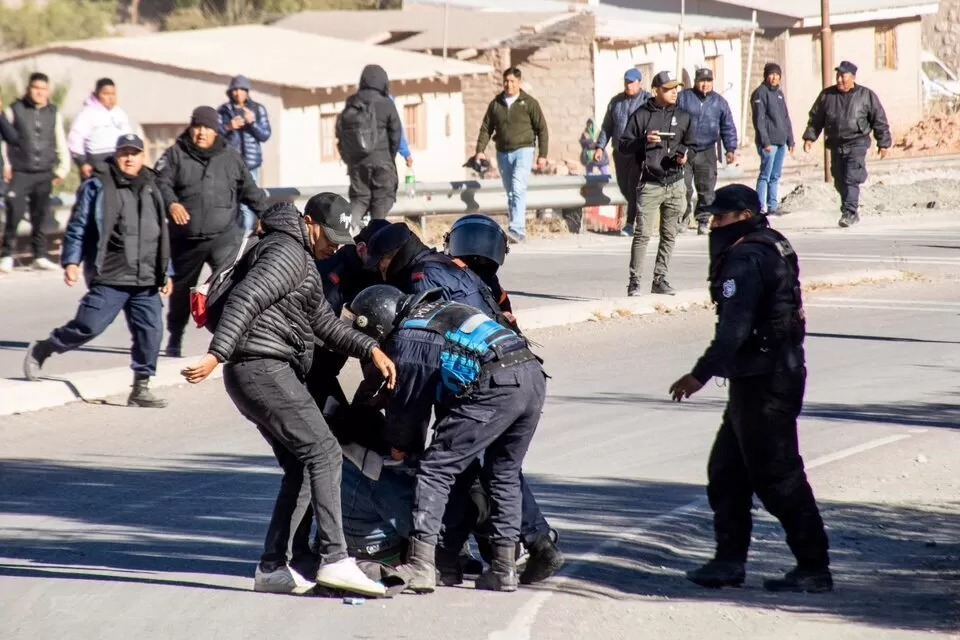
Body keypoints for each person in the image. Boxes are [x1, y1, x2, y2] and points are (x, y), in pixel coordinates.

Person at [179, 201, 397, 598]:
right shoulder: (285, 252)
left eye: (342, 240)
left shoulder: (301, 260)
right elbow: (246, 299)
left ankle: (272, 568)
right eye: (331, 237)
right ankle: (335, 559)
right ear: (309, 223)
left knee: (301, 466)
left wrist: (370, 349)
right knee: (325, 452)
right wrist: (216, 354)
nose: (336, 247)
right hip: (261, 367)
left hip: (259, 371)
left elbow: (325, 325)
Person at [668, 184, 832, 594]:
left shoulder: (747, 256)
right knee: (727, 472)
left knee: (778, 476)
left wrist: (699, 374)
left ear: (742, 216)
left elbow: (734, 329)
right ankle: (728, 562)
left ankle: (813, 566)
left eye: (719, 218)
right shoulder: (771, 243)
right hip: (761, 377)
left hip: (768, 381)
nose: (713, 225)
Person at [348, 285, 547, 594]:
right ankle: (503, 569)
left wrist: (399, 448)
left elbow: (407, 416)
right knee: (502, 473)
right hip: (530, 374)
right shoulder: (439, 310)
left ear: (378, 325)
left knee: (435, 469)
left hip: (496, 383)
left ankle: (422, 565)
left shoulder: (408, 338)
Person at [22, 134, 171, 407]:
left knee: (151, 333)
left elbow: (160, 233)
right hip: (110, 275)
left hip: (147, 277)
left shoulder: (153, 186)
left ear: (142, 157)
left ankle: (141, 388)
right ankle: (44, 348)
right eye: (124, 152)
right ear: (116, 155)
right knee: (87, 327)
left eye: (134, 153)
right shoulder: (98, 185)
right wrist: (71, 261)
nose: (129, 158)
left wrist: (167, 270)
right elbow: (78, 225)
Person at [156, 105, 266, 358]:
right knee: (182, 292)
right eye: (197, 127)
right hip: (186, 239)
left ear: (216, 131)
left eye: (207, 128)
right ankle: (175, 338)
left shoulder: (230, 156)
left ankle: (233, 339)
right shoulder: (175, 154)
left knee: (231, 286)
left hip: (224, 236)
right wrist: (171, 203)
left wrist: (265, 214)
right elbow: (159, 183)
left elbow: (249, 189)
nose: (201, 133)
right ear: (191, 128)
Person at [619, 70, 693, 297]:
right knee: (642, 234)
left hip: (676, 182)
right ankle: (634, 282)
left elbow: (693, 145)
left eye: (676, 88)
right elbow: (623, 146)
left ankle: (659, 279)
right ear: (656, 91)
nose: (674, 93)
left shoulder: (684, 115)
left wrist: (685, 155)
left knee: (669, 234)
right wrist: (643, 140)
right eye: (669, 88)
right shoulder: (641, 115)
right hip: (650, 184)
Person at [802, 61, 891, 228]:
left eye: (843, 76)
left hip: (857, 142)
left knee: (851, 177)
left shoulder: (866, 95)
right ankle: (850, 211)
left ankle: (849, 212)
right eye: (838, 76)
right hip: (836, 144)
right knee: (839, 179)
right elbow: (816, 119)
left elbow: (879, 119)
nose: (840, 80)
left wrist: (883, 142)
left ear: (853, 77)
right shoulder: (827, 96)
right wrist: (809, 137)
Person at [0, 72, 71, 273]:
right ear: (28, 89)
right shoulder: (15, 109)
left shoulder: (53, 112)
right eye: (35, 88)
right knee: (14, 212)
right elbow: (4, 140)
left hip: (44, 172)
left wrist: (63, 168)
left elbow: (60, 141)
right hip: (21, 171)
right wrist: (7, 164)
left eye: (43, 89)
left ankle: (39, 255)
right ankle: (6, 255)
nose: (39, 92)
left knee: (39, 215)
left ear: (48, 91)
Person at [472, 67, 549, 244]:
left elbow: (542, 129)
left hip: (524, 150)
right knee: (511, 192)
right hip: (503, 153)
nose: (509, 84)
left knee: (518, 188)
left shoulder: (529, 103)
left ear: (519, 83)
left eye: (512, 81)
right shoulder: (496, 104)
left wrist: (542, 154)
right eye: (506, 81)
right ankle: (515, 228)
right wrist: (480, 151)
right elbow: (486, 128)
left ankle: (517, 229)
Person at [337, 65, 402, 231]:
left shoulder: (352, 102)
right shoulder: (386, 103)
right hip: (382, 162)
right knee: (381, 203)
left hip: (357, 163)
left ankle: (348, 234)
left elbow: (340, 132)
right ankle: (375, 239)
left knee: (359, 199)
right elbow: (396, 134)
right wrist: (389, 157)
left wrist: (349, 159)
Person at [677, 68, 738, 235]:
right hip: (685, 150)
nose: (705, 84)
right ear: (696, 81)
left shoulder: (719, 102)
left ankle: (703, 220)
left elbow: (728, 126)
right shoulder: (684, 98)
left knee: (706, 188)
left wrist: (730, 148)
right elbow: (672, 119)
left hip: (707, 150)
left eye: (708, 81)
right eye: (702, 81)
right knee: (683, 187)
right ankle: (682, 219)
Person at [595, 68, 652, 237]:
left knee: (634, 186)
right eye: (626, 82)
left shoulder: (648, 100)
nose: (629, 86)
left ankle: (630, 223)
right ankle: (640, 213)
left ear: (639, 83)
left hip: (638, 151)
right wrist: (600, 146)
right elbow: (607, 127)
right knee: (624, 187)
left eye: (632, 82)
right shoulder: (616, 102)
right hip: (620, 152)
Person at [218, 75, 272, 231]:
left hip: (251, 165)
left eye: (241, 89)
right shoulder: (224, 111)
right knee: (232, 204)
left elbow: (265, 134)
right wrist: (229, 127)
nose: (238, 93)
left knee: (248, 203)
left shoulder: (257, 109)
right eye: (234, 90)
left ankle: (245, 237)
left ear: (247, 91)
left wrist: (252, 122)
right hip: (228, 165)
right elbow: (214, 136)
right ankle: (239, 236)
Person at [67, 78, 135, 180]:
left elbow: (129, 136)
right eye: (106, 94)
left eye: (113, 94)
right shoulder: (86, 114)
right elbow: (74, 140)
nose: (110, 97)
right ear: (96, 94)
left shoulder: (119, 113)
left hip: (119, 163)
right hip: (96, 164)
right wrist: (82, 163)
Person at [751, 63, 795, 215]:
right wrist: (765, 142)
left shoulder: (779, 94)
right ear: (766, 75)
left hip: (781, 141)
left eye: (777, 74)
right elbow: (759, 120)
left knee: (775, 176)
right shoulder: (759, 94)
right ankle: (759, 207)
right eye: (771, 74)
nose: (774, 77)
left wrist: (790, 139)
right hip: (769, 143)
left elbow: (785, 118)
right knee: (765, 175)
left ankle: (772, 206)